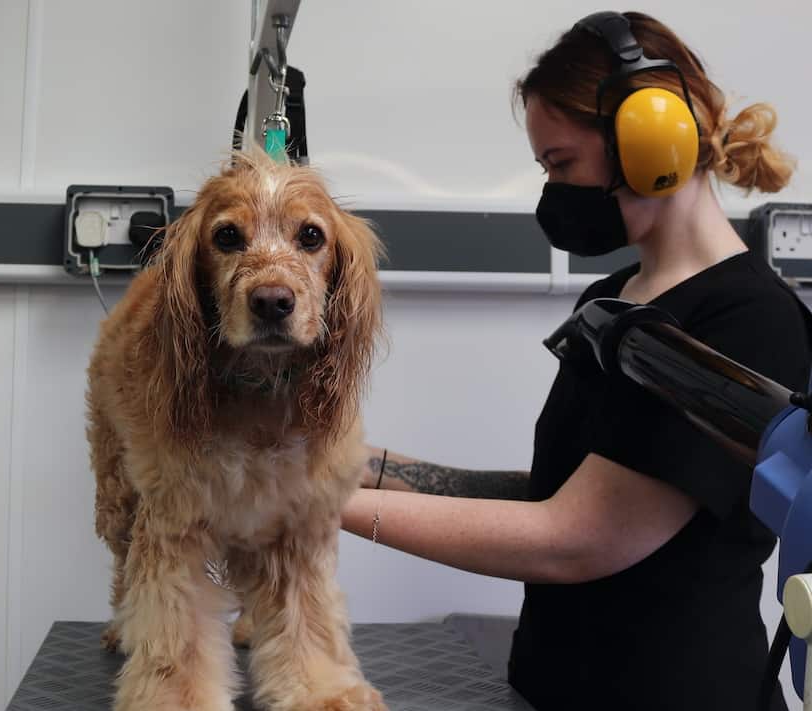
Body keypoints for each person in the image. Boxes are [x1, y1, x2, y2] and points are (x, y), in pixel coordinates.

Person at [341, 11, 810, 711]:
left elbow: (575, 538)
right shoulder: (614, 298)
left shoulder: (752, 321)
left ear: (648, 140)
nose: (553, 191)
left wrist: (322, 505)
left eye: (561, 163)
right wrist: (366, 465)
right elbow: (559, 492)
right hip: (550, 690)